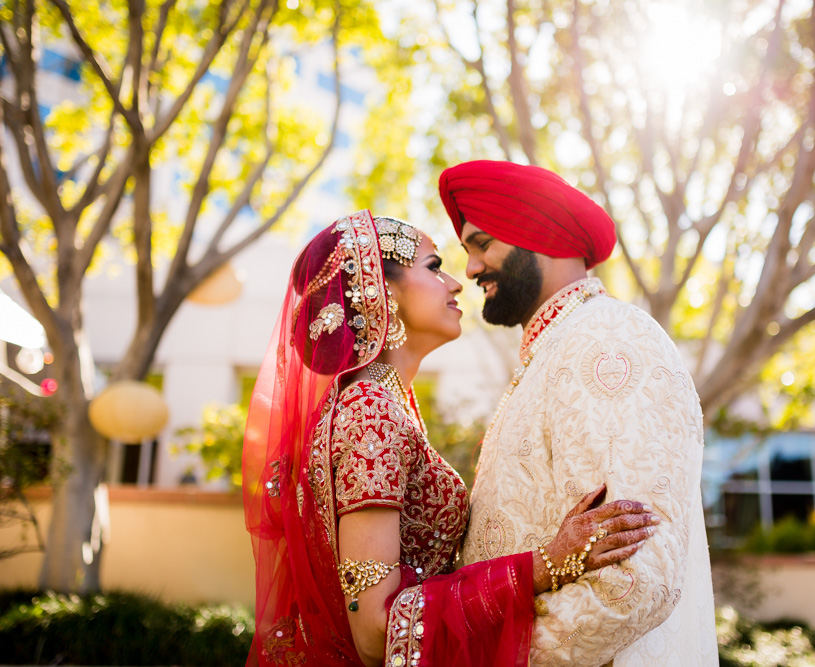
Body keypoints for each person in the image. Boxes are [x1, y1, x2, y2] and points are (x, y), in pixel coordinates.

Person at [242, 209, 659, 666]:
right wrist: (547, 563)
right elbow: (376, 629)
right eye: (434, 267)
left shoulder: (380, 403)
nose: (457, 283)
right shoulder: (371, 412)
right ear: (382, 291)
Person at [439, 160, 719, 666]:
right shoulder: (558, 346)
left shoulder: (606, 338)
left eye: (482, 244)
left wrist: (487, 658)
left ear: (537, 232)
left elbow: (631, 583)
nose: (472, 269)